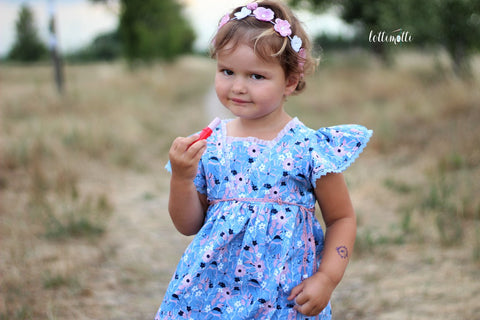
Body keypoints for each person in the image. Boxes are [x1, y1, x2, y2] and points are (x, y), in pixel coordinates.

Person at [155, 1, 372, 319]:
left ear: (290, 80)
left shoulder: (308, 148)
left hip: (282, 298)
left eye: (256, 76)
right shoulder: (210, 144)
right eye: (227, 71)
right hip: (209, 294)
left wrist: (327, 277)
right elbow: (188, 225)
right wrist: (181, 178)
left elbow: (342, 218)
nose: (238, 86)